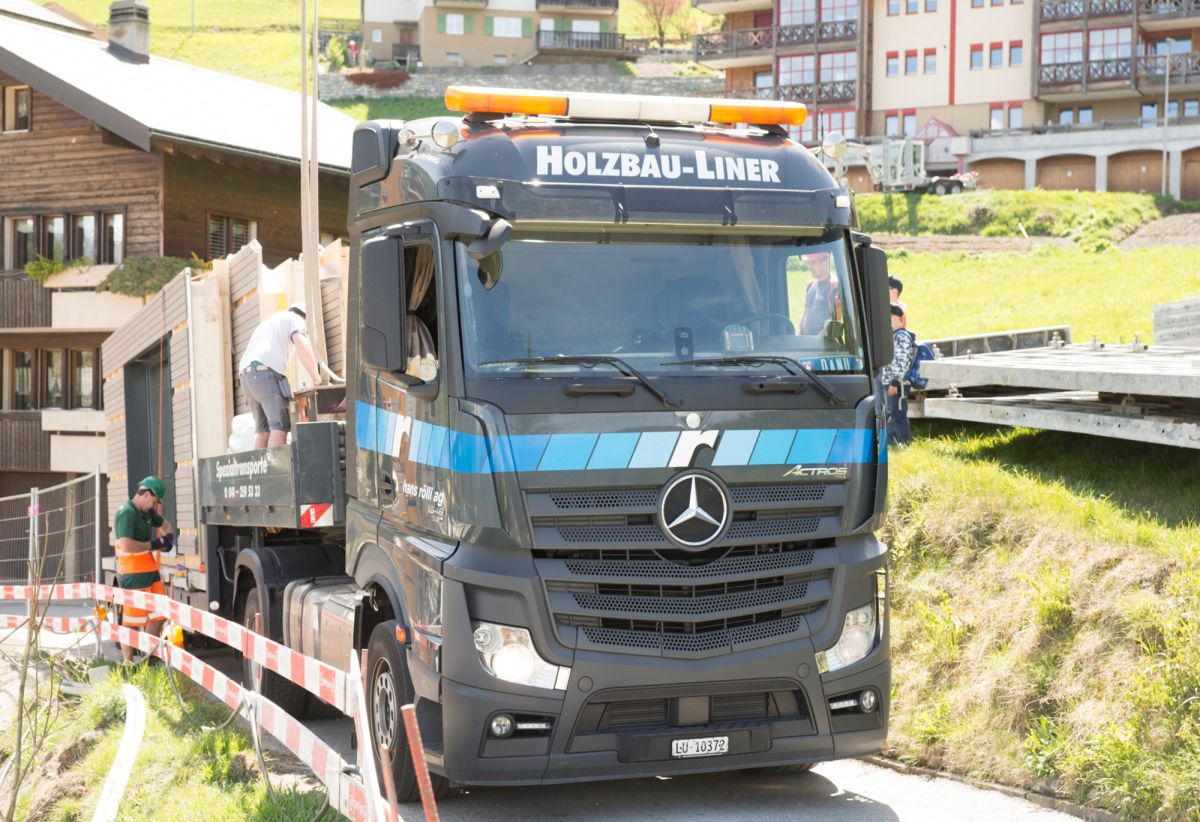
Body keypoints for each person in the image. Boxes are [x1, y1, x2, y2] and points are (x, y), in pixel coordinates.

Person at [238, 303, 329, 449]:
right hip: (264, 374)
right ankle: (276, 471)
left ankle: (263, 472)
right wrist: (316, 378)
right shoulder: (296, 319)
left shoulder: (272, 321)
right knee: (279, 426)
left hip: (246, 377)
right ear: (305, 317)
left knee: (264, 431)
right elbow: (301, 344)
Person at [113, 476, 174, 664]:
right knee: (131, 621)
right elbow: (126, 545)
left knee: (161, 612)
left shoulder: (146, 513)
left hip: (150, 570)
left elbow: (165, 525)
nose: (154, 506)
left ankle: (147, 657)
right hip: (133, 573)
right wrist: (155, 543)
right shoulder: (126, 513)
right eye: (154, 502)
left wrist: (168, 538)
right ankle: (129, 663)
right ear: (146, 494)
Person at [881, 304, 916, 446]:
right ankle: (893, 442)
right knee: (892, 412)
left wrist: (894, 382)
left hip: (896, 384)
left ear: (895, 318)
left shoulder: (901, 336)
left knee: (898, 414)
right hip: (892, 383)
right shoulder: (896, 336)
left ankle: (903, 441)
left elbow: (902, 361)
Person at [799, 253, 841, 335]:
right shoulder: (810, 284)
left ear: (824, 262)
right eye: (808, 263)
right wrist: (798, 334)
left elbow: (838, 319)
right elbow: (805, 312)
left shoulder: (834, 286)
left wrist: (818, 339)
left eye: (813, 263)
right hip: (806, 341)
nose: (810, 268)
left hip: (821, 345)